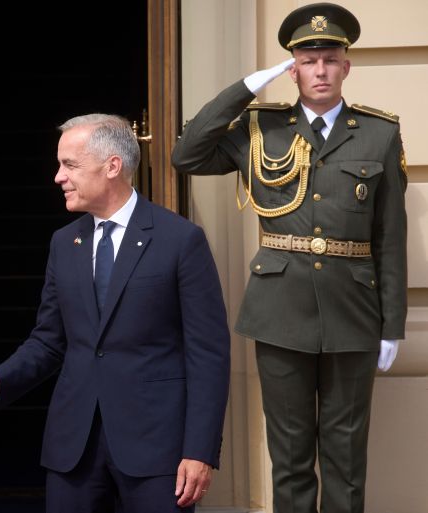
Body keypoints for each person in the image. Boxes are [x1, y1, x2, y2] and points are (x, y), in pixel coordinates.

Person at [171, 3, 408, 513]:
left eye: (329, 58)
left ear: (346, 65)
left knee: (346, 459)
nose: (319, 70)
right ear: (292, 67)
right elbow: (186, 155)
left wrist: (393, 324)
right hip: (280, 312)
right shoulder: (260, 128)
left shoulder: (379, 133)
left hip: (354, 313)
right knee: (291, 456)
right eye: (307, 59)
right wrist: (244, 88)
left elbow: (390, 235)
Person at [0, 114, 231, 513]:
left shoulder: (180, 240)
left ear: (112, 167)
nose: (58, 177)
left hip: (157, 451)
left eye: (69, 165)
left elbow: (208, 354)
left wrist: (200, 450)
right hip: (74, 449)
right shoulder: (63, 243)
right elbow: (49, 341)